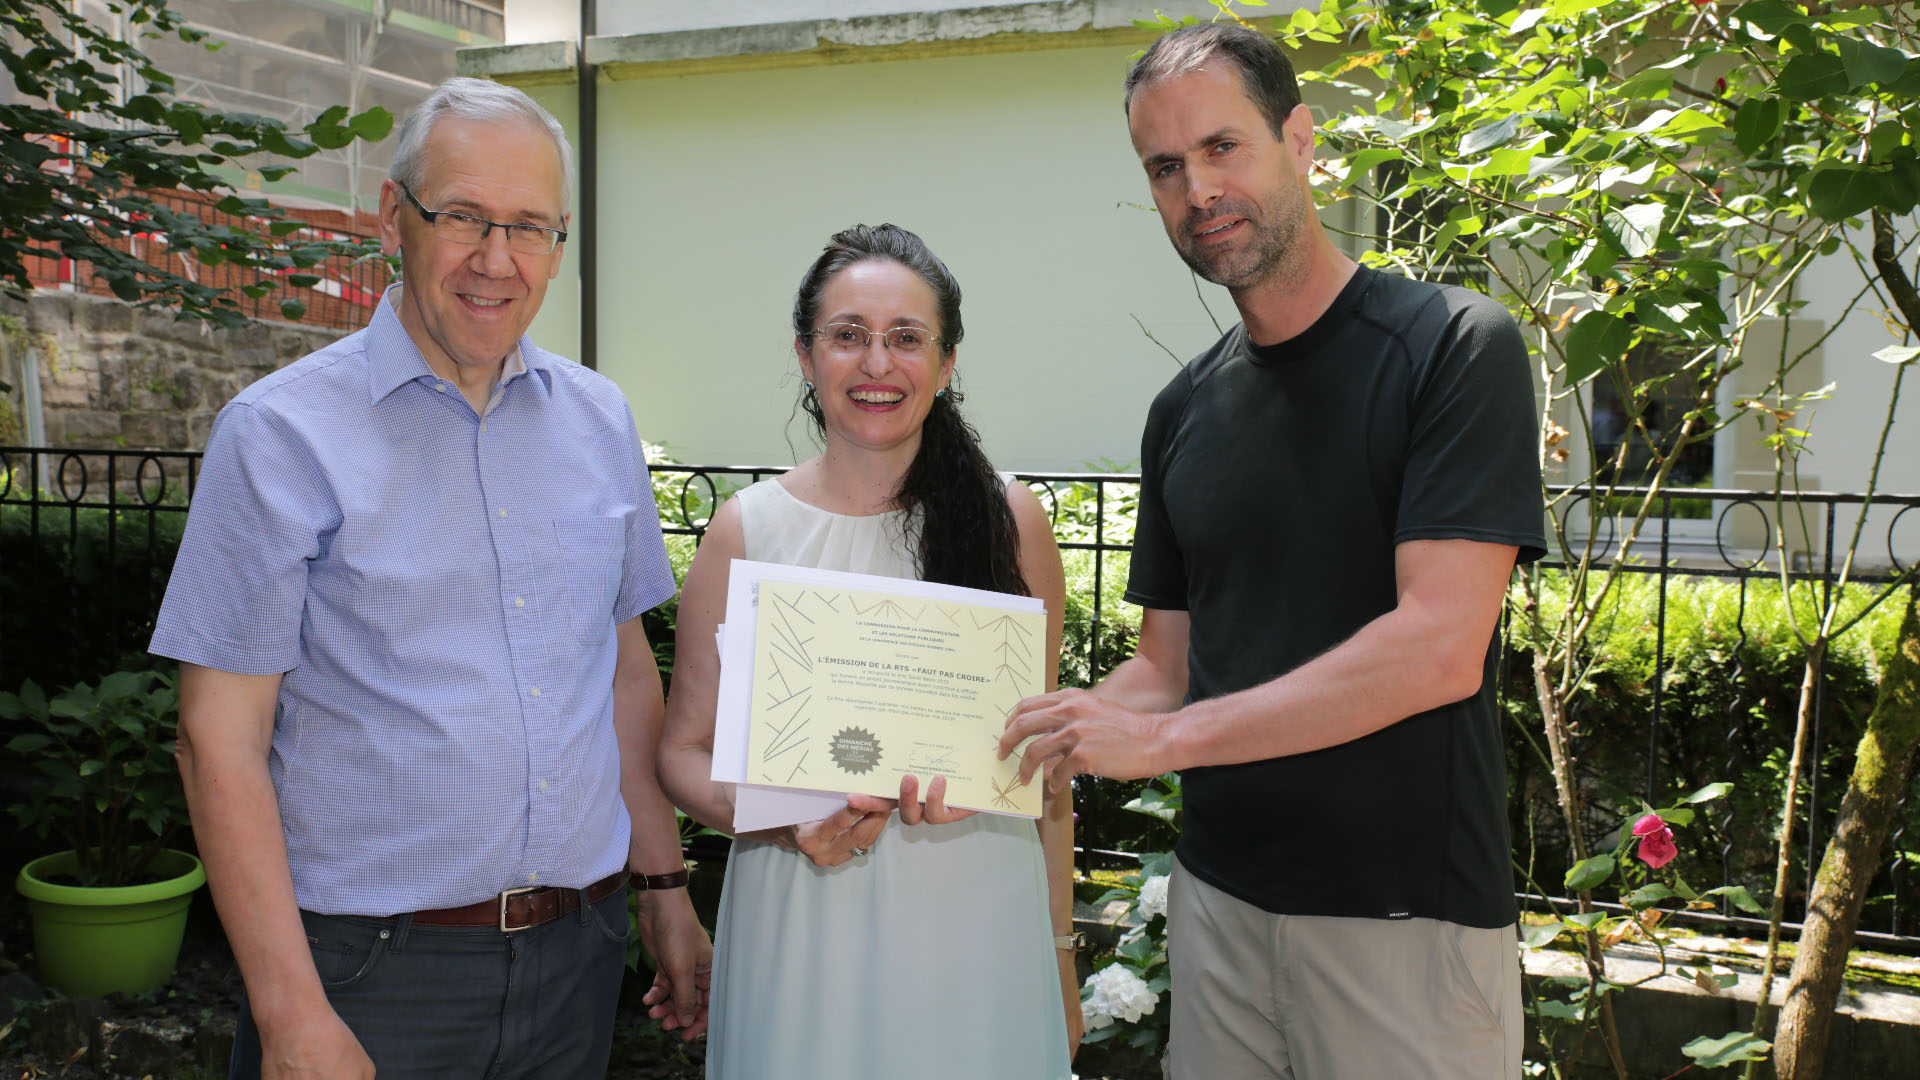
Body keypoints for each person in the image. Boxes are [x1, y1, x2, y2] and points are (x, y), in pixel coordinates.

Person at [998, 24, 1546, 1080]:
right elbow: (1166, 671)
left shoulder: (1452, 348)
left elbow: (1439, 647)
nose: (1197, 188)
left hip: (1404, 930)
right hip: (1217, 917)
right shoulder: (1182, 411)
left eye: (1222, 147)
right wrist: (1017, 732)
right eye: (1165, 167)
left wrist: (1164, 744)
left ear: (1301, 141)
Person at [149, 77, 710, 1079]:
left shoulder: (599, 422)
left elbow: (623, 674)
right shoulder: (279, 436)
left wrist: (663, 887)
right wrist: (289, 1015)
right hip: (366, 976)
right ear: (392, 217)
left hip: (576, 959)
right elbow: (215, 741)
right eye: (463, 217)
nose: (497, 260)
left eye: (531, 227)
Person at [655, 224, 1080, 1079]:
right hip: (799, 922)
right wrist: (780, 821)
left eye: (906, 339)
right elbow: (681, 752)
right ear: (807, 356)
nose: (876, 364)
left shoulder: (1009, 521)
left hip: (977, 935)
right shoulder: (748, 530)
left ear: (948, 363)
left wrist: (1061, 956)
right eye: (848, 336)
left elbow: (1045, 774)